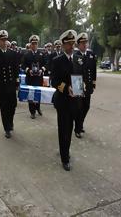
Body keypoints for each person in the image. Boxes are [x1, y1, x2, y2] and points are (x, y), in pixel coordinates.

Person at [50, 29, 82, 171]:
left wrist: (83, 85)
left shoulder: (79, 58)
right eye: (68, 44)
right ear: (63, 45)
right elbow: (54, 81)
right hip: (62, 100)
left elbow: (80, 76)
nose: (71, 46)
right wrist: (66, 88)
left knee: (71, 127)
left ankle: (66, 149)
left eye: (73, 43)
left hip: (76, 100)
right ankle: (65, 157)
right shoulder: (57, 61)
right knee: (64, 129)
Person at [0, 30, 19, 139]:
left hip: (11, 84)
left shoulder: (13, 53)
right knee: (4, 107)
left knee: (13, 106)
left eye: (5, 40)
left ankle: (10, 122)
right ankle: (7, 128)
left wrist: (17, 83)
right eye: (2, 40)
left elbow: (16, 69)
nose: (4, 42)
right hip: (2, 85)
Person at [74, 32, 97, 138]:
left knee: (86, 107)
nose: (84, 45)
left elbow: (93, 70)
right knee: (78, 107)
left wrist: (93, 83)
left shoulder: (91, 55)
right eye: (82, 43)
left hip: (88, 85)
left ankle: (80, 124)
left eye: (86, 42)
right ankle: (77, 128)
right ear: (78, 44)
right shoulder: (75, 56)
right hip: (78, 85)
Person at [22, 35, 44, 119]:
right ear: (30, 44)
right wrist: (28, 70)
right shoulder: (26, 54)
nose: (34, 45)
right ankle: (32, 112)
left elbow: (46, 63)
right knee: (30, 95)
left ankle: (38, 108)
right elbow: (23, 65)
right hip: (30, 77)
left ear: (37, 44)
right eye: (33, 43)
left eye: (36, 43)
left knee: (38, 93)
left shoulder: (41, 54)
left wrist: (42, 69)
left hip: (38, 77)